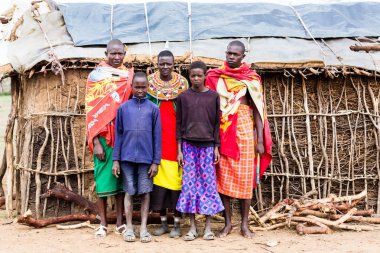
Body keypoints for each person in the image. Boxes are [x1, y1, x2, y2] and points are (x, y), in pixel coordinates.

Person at [206, 40, 272, 239]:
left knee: (245, 180)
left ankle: (244, 224)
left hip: (244, 129)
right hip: (223, 130)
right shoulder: (214, 76)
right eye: (229, 53)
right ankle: (227, 224)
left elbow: (259, 111)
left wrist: (260, 139)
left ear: (243, 56)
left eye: (235, 54)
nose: (231, 56)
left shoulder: (251, 78)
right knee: (223, 179)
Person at [85, 39, 133, 238]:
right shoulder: (96, 76)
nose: (116, 57)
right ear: (106, 53)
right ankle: (103, 223)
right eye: (112, 53)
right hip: (103, 137)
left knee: (120, 180)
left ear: (124, 53)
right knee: (103, 181)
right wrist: (95, 141)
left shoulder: (128, 76)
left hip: (122, 136)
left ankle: (121, 222)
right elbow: (90, 110)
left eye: (119, 53)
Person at [176, 61, 224, 241]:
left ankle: (208, 227)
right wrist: (179, 149)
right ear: (189, 76)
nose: (196, 79)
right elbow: (179, 124)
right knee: (189, 186)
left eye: (199, 75)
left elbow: (217, 124)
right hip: (188, 146)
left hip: (207, 147)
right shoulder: (183, 97)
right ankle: (192, 227)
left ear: (205, 76)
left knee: (208, 185)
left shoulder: (213, 96)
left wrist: (216, 147)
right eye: (193, 75)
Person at [112, 72, 162, 243]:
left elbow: (157, 137)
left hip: (146, 159)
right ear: (131, 88)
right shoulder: (123, 108)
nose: (140, 90)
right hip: (126, 158)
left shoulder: (154, 109)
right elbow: (118, 135)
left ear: (148, 87)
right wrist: (116, 160)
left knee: (145, 192)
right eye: (137, 87)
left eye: (143, 87)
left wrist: (156, 162)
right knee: (129, 191)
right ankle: (129, 228)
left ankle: (143, 228)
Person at [147, 50, 188, 238]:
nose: (164, 67)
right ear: (157, 64)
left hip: (176, 143)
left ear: (174, 64)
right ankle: (163, 224)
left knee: (176, 186)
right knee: (160, 187)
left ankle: (177, 225)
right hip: (156, 143)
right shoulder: (148, 85)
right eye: (161, 64)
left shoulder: (182, 85)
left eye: (168, 64)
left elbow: (185, 115)